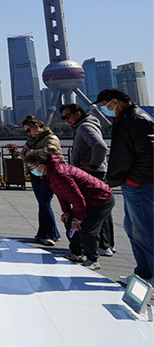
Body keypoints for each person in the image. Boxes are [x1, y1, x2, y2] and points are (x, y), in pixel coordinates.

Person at [95, 88, 154, 284]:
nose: (105, 110)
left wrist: (134, 180)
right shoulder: (124, 118)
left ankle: (150, 277)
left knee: (146, 231)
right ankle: (143, 274)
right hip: (131, 184)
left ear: (115, 101)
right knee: (133, 229)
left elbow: (150, 154)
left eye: (105, 106)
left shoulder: (137, 119)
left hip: (140, 184)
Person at [24, 149, 115, 271]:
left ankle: (93, 260)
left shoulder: (59, 174)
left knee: (87, 229)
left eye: (32, 168)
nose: (31, 171)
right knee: (69, 222)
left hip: (100, 199)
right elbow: (61, 193)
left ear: (41, 166)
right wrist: (66, 211)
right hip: (87, 199)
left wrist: (78, 218)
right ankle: (77, 253)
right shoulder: (49, 173)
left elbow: (76, 198)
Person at [59, 103, 114, 257]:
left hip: (90, 175)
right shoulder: (84, 126)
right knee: (103, 210)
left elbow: (100, 146)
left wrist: (94, 165)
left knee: (94, 211)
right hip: (94, 174)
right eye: (63, 118)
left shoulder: (84, 127)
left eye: (67, 116)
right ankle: (107, 245)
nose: (66, 120)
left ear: (78, 113)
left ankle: (101, 246)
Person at [21, 115, 62, 247]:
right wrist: (30, 154)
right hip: (35, 173)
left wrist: (30, 153)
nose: (28, 133)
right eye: (26, 131)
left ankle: (47, 235)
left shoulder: (51, 138)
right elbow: (23, 154)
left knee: (44, 203)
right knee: (42, 203)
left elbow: (47, 153)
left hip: (48, 173)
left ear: (36, 127)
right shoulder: (30, 140)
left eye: (28, 130)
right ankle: (51, 233)